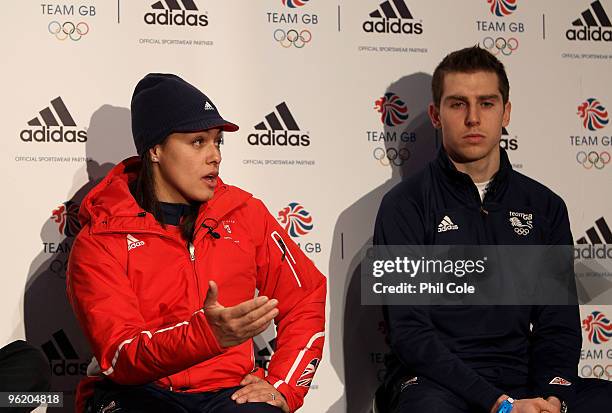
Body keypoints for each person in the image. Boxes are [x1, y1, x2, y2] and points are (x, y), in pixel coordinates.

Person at [66, 73, 326, 413]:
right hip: (138, 392)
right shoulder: (102, 237)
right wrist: (207, 335)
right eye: (198, 142)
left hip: (229, 393)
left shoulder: (245, 214)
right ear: (155, 150)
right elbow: (121, 354)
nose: (215, 156)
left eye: (218, 141)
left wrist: (283, 386)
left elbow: (306, 295)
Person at [373, 46, 612, 413]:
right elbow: (409, 333)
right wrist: (498, 405)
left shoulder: (544, 206)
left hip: (521, 377)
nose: (473, 118)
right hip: (435, 383)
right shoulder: (404, 206)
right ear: (436, 115)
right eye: (458, 104)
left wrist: (552, 397)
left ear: (506, 113)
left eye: (486, 103)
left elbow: (557, 324)